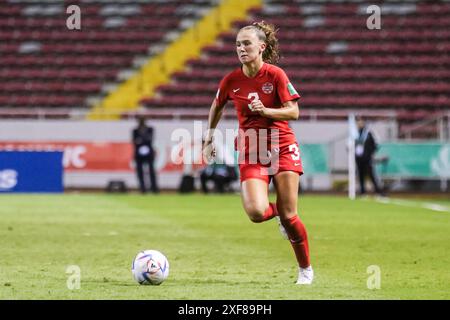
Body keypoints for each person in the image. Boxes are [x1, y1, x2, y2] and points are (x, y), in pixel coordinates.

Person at [202, 22, 313, 284]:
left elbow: (293, 112)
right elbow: (216, 105)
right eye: (238, 44)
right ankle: (279, 216)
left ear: (261, 47)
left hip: (282, 147)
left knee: (290, 215)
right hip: (252, 150)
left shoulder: (276, 75)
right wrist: (209, 135)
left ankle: (305, 270)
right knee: (255, 212)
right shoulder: (231, 80)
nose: (241, 48)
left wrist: (266, 111)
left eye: (247, 43)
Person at [355, 116, 384, 196]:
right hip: (358, 158)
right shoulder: (355, 133)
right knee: (360, 175)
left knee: (371, 174)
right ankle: (362, 192)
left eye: (361, 121)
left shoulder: (369, 133)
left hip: (367, 158)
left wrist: (370, 153)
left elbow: (377, 143)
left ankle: (378, 191)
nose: (359, 123)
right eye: (358, 122)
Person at [132, 117, 159, 193]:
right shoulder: (135, 130)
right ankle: (142, 189)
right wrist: (142, 140)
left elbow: (150, 140)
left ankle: (154, 188)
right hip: (138, 154)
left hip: (149, 154)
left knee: (151, 171)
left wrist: (141, 140)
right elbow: (134, 141)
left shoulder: (150, 129)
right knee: (140, 172)